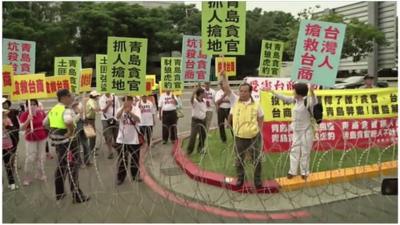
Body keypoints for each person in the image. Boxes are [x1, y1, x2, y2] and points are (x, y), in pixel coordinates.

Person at [264, 83, 317, 180]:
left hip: (306, 131)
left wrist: (312, 91)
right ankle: (292, 171)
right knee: (294, 151)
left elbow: (314, 101)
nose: (293, 92)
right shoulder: (295, 100)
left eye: (294, 90)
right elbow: (284, 98)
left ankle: (304, 172)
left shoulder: (307, 102)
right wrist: (271, 91)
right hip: (297, 131)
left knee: (305, 152)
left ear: (299, 93)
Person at [45, 89, 90, 203]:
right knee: (73, 168)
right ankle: (77, 196)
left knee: (62, 167)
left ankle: (59, 193)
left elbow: (45, 123)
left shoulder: (54, 109)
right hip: (69, 143)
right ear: (64, 97)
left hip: (59, 144)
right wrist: (70, 132)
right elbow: (68, 121)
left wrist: (55, 132)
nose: (71, 97)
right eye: (70, 95)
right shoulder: (66, 110)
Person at [228, 82, 264, 189]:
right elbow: (227, 89)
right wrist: (224, 77)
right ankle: (240, 179)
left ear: (250, 92)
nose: (242, 93)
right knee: (239, 159)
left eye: (245, 91)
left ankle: (257, 180)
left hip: (254, 137)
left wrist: (259, 129)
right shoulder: (235, 102)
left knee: (257, 159)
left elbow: (261, 117)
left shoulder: (256, 104)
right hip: (239, 137)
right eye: (241, 91)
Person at [19, 99, 48, 185]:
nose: (32, 106)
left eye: (34, 104)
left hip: (42, 138)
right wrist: (28, 120)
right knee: (30, 158)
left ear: (37, 105)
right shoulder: (24, 114)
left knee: (41, 157)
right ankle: (27, 178)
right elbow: (22, 128)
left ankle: (40, 174)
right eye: (30, 104)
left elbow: (44, 123)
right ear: (27, 106)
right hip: (31, 139)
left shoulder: (40, 113)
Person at [115, 96, 143, 185]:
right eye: (124, 100)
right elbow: (117, 117)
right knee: (122, 159)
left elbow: (138, 120)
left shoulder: (136, 109)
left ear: (131, 101)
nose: (126, 102)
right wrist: (123, 108)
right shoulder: (120, 109)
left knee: (135, 159)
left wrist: (130, 112)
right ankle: (121, 178)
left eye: (127, 100)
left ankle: (135, 175)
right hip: (122, 139)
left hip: (133, 139)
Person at [99, 93, 120, 159]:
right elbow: (103, 110)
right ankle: (110, 152)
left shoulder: (115, 97)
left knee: (117, 135)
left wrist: (118, 118)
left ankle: (119, 150)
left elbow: (118, 108)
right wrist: (108, 104)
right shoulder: (102, 99)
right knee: (108, 136)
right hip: (105, 119)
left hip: (115, 118)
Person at [71, 99, 92, 167]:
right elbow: (73, 120)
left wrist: (82, 112)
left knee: (86, 145)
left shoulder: (80, 104)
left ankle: (87, 161)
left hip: (83, 127)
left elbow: (84, 117)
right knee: (77, 146)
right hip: (75, 128)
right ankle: (79, 162)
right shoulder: (69, 109)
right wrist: (79, 113)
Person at [187, 88, 207, 155]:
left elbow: (204, 110)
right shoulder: (195, 101)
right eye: (204, 93)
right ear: (201, 94)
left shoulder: (204, 101)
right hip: (195, 121)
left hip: (203, 120)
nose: (205, 94)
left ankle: (200, 148)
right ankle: (189, 150)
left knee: (203, 135)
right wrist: (193, 92)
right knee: (193, 135)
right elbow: (191, 100)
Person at [3, 108, 18, 190]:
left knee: (8, 164)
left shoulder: (7, 120)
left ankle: (11, 182)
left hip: (7, 145)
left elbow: (14, 129)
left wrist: (8, 126)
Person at [85, 90, 101, 155]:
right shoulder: (92, 101)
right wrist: (101, 110)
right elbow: (95, 109)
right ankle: (91, 150)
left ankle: (92, 148)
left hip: (90, 119)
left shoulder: (91, 101)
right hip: (89, 120)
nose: (98, 97)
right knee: (92, 136)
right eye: (97, 96)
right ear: (94, 96)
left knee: (92, 135)